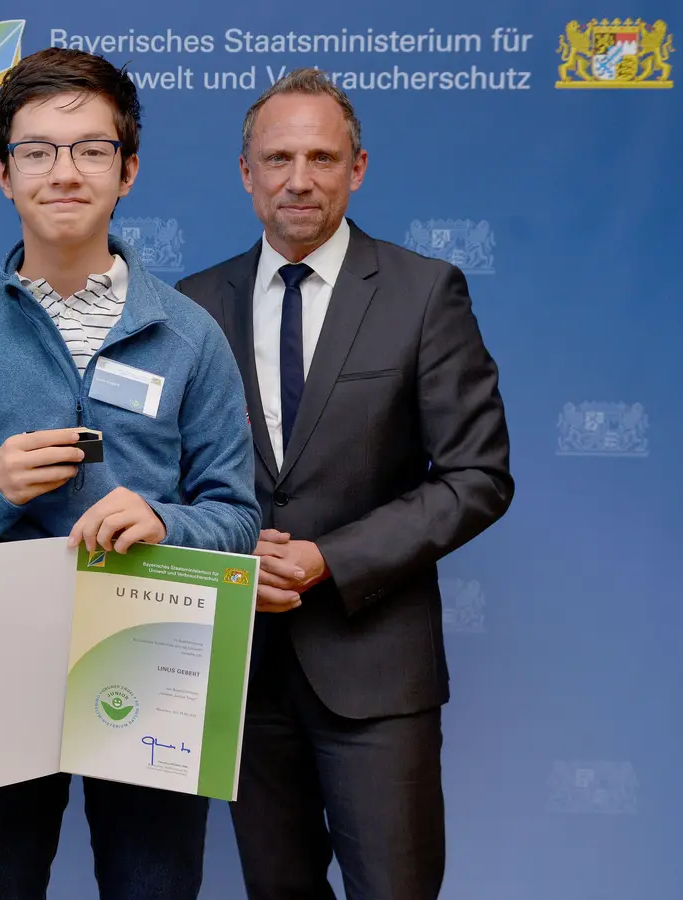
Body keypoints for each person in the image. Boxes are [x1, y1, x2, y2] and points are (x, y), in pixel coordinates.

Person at [0, 48, 260, 900]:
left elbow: (237, 519)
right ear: (2, 173)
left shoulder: (191, 337)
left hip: (153, 663)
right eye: (38, 150)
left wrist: (167, 523)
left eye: (91, 149)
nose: (65, 172)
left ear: (128, 170)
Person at [175, 68, 514, 900]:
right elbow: (163, 478)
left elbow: (478, 475)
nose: (299, 179)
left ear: (357, 169)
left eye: (322, 158)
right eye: (278, 157)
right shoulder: (189, 306)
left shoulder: (424, 293)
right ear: (245, 171)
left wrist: (331, 558)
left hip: (376, 670)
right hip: (242, 674)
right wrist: (220, 547)